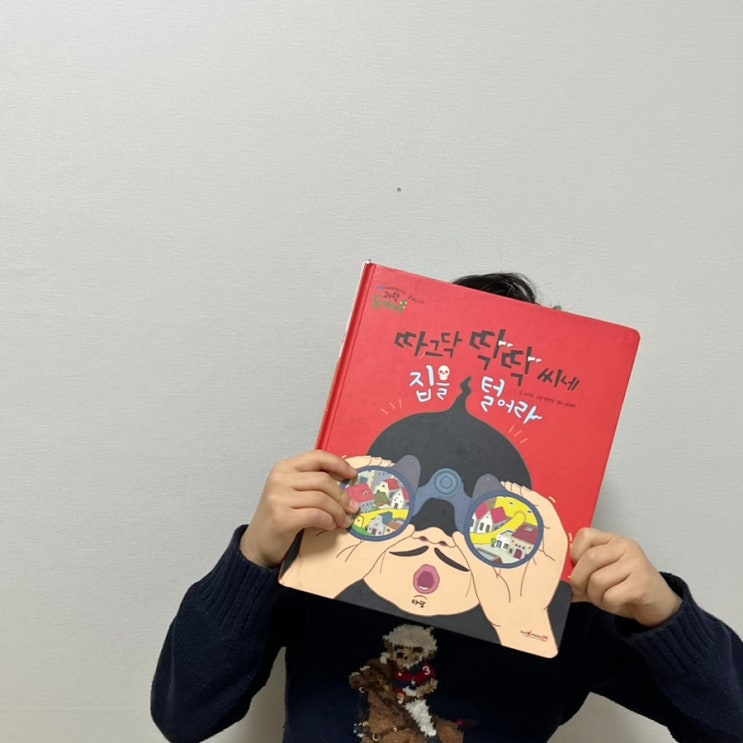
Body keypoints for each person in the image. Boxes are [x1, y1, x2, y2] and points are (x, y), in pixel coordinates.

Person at [151, 273, 743, 743]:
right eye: (404, 494)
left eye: (482, 512)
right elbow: (185, 713)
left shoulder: (565, 605)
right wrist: (255, 556)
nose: (436, 531)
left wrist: (663, 617)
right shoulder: (314, 560)